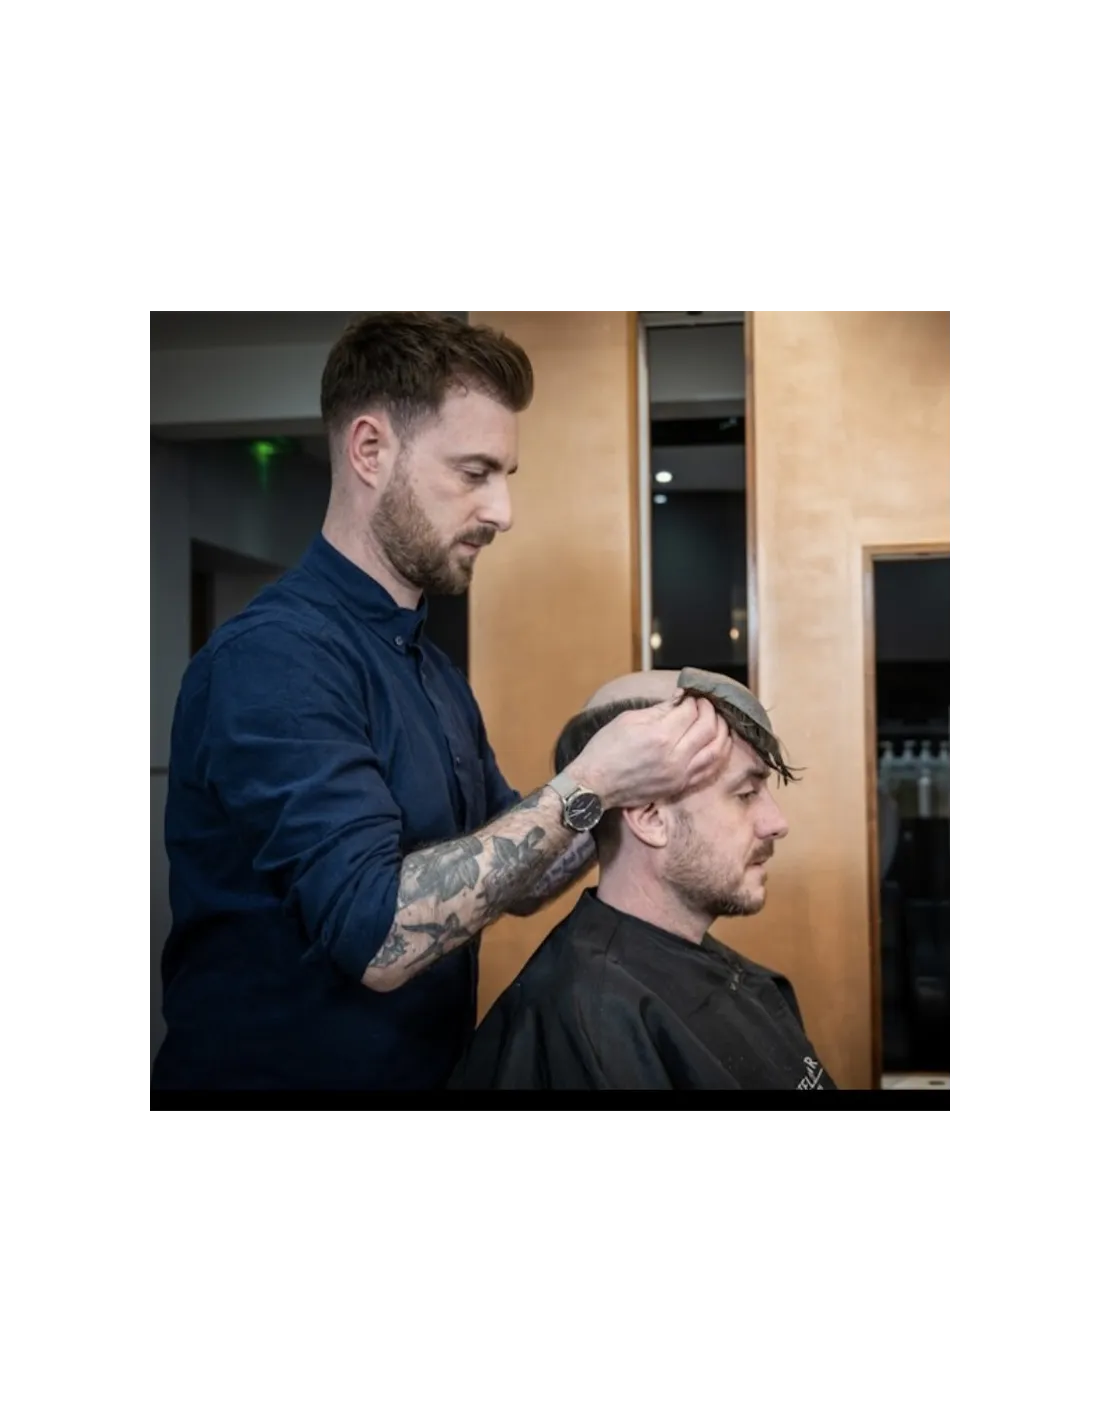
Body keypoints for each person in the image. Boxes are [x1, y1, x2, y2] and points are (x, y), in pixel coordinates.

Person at [151, 312, 729, 1090]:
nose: (502, 511)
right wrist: (594, 780)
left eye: (505, 476)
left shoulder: (429, 668)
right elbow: (378, 939)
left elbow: (516, 873)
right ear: (370, 450)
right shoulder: (273, 661)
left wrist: (630, 768)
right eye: (474, 472)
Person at [449, 669, 837, 1090]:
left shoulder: (753, 985)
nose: (777, 823)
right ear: (650, 817)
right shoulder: (589, 1026)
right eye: (745, 794)